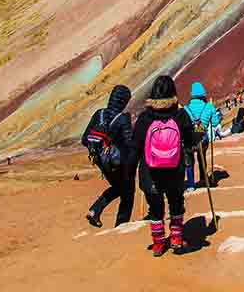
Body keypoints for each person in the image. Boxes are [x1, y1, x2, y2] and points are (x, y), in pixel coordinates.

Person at [130, 75, 198, 257]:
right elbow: (191, 140)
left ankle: (158, 244)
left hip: (150, 171)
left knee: (155, 207)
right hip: (174, 170)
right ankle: (176, 238)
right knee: (176, 203)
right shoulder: (180, 115)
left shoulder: (145, 118)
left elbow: (135, 146)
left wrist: (131, 170)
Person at [81, 84, 135, 228]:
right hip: (117, 163)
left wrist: (100, 152)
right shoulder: (123, 118)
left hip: (100, 161)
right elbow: (129, 144)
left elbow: (84, 139)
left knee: (118, 188)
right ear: (123, 102)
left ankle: (95, 210)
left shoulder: (99, 114)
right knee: (127, 191)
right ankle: (121, 226)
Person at [183, 81, 222, 189]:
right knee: (202, 157)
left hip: (189, 140)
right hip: (202, 139)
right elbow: (215, 123)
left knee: (189, 161)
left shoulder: (185, 109)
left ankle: (191, 185)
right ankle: (203, 179)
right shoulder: (208, 106)